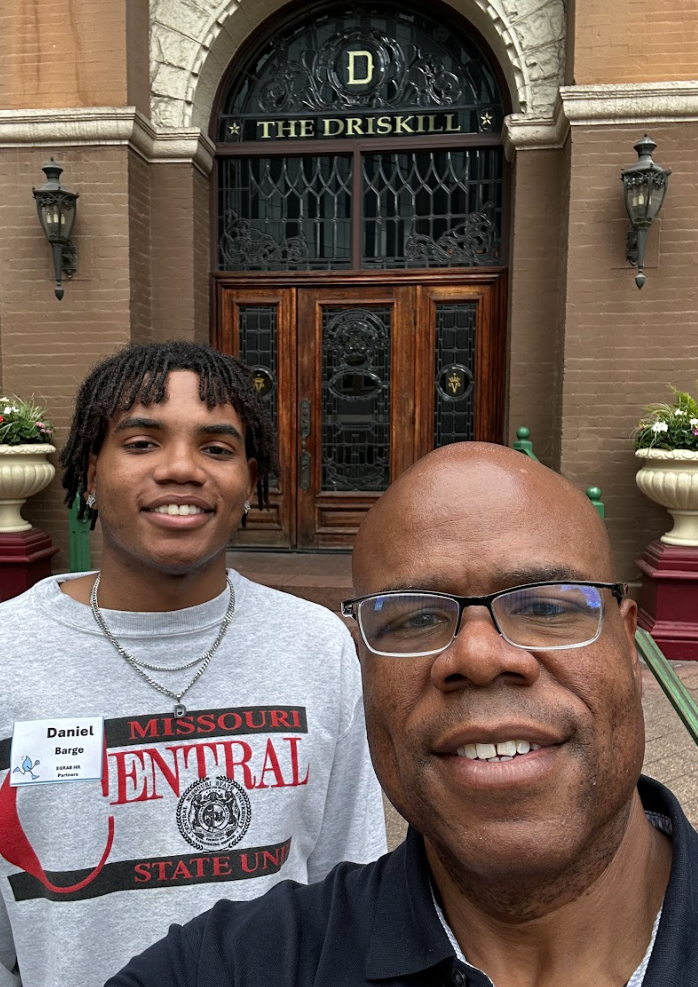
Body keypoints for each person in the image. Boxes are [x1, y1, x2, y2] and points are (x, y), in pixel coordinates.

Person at [107, 441, 698, 987]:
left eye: (544, 605)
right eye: (414, 618)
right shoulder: (235, 965)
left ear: (629, 648)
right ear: (364, 669)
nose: (479, 656)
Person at [0, 340, 386, 987]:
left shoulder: (317, 647)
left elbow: (353, 889)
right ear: (89, 472)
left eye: (216, 447)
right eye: (143, 442)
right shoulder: (10, 653)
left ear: (249, 479)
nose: (181, 468)